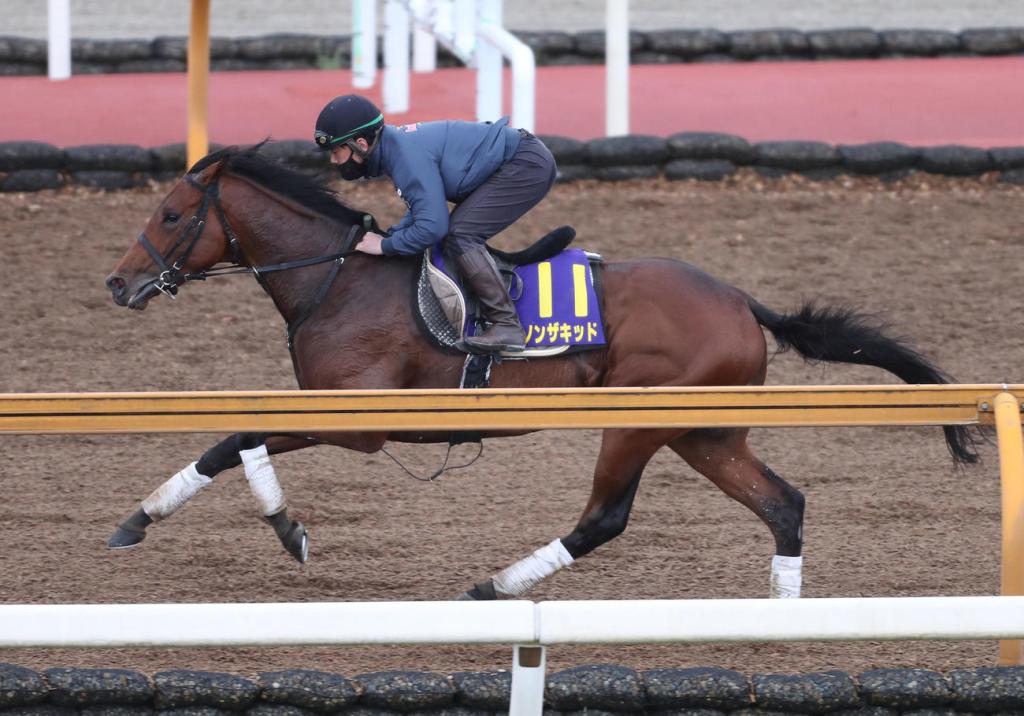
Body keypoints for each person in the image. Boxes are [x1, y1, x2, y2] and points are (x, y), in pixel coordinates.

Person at [313, 94, 557, 353]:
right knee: (455, 233)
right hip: (520, 158)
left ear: (361, 144)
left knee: (460, 235)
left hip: (526, 164)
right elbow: (424, 210)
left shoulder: (403, 156)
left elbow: (433, 226)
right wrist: (394, 235)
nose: (333, 160)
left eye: (337, 151)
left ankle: (506, 325)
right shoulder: (396, 149)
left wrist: (386, 246)